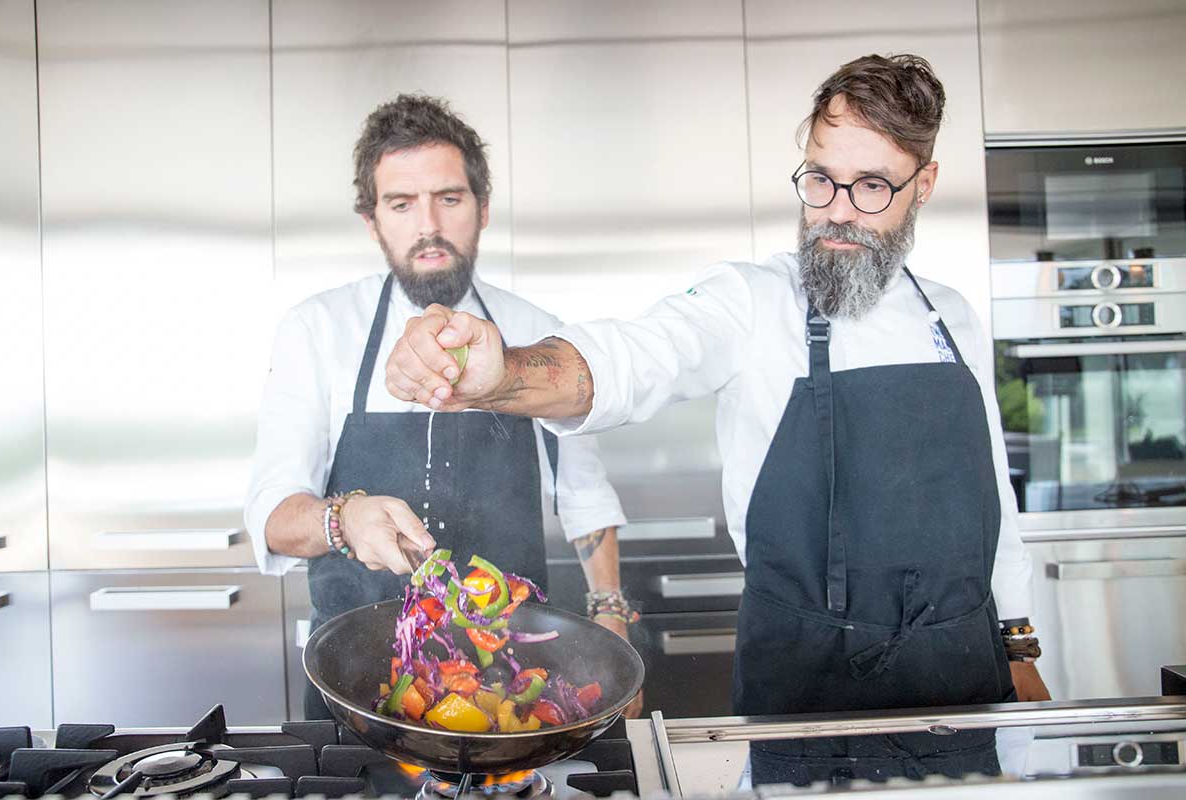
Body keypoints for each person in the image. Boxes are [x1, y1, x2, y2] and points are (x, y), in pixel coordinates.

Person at [384, 55, 1049, 782]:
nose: (837, 209)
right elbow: (629, 357)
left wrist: (1017, 645)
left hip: (963, 684)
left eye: (872, 187)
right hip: (806, 697)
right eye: (820, 178)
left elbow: (993, 506)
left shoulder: (951, 319)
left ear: (923, 186)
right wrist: (505, 372)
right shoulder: (750, 303)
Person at [244, 94, 639, 720]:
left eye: (449, 198)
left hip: (507, 684)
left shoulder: (536, 333)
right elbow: (271, 517)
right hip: (357, 684)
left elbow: (584, 493)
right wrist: (343, 521)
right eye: (402, 204)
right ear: (373, 221)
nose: (428, 225)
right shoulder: (316, 331)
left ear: (482, 210)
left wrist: (611, 612)